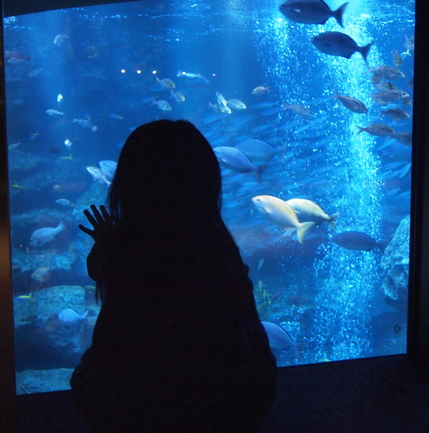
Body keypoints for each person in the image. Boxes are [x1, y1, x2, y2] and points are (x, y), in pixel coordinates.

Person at [70, 120, 277, 432]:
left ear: (130, 181)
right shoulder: (215, 241)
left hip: (136, 403)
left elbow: (103, 277)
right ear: (206, 179)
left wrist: (107, 243)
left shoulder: (133, 244)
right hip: (228, 400)